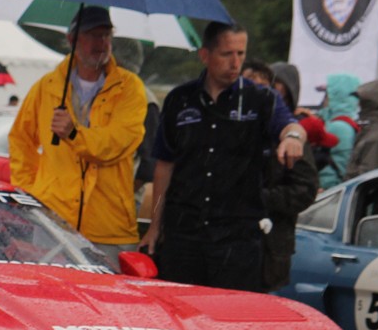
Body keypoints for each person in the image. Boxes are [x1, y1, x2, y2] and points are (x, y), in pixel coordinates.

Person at [139, 22, 308, 292]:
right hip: (184, 234)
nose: (235, 62)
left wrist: (293, 138)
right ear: (205, 55)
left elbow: (291, 124)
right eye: (227, 54)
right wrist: (154, 226)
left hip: (236, 239)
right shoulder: (179, 100)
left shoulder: (260, 98)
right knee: (179, 312)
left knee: (229, 319)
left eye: (241, 54)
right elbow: (164, 165)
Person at [8, 5, 147, 253]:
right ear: (71, 39)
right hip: (53, 220)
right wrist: (31, 190)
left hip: (109, 225)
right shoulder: (47, 86)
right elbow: (20, 139)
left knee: (110, 293)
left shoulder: (130, 87)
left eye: (106, 35)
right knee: (50, 290)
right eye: (92, 35)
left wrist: (73, 133)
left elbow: (116, 143)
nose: (101, 42)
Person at [243, 60, 319, 291]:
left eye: (278, 95)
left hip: (270, 249)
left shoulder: (293, 138)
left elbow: (304, 189)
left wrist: (260, 198)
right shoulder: (236, 127)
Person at [315, 72, 360, 187]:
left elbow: (334, 164)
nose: (323, 100)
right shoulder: (347, 123)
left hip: (327, 189)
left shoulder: (337, 127)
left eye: (327, 94)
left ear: (337, 96)